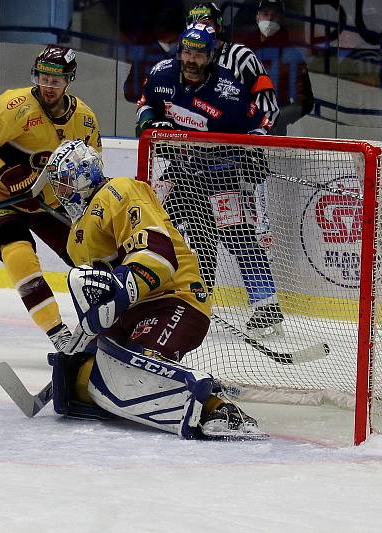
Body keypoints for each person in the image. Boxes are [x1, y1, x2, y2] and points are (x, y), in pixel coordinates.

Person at [43, 139, 264, 440]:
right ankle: (179, 383)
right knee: (86, 379)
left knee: (133, 370)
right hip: (133, 311)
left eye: (66, 182)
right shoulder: (75, 237)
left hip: (176, 299)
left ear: (85, 174)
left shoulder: (119, 190)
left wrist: (119, 292)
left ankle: (218, 407)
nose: (61, 192)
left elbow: (158, 253)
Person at [136, 22, 285, 338]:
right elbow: (146, 103)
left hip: (220, 173)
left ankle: (267, 307)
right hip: (181, 169)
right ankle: (145, 294)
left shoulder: (228, 92)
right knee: (153, 223)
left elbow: (261, 123)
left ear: (212, 56)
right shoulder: (162, 73)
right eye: (187, 52)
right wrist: (149, 120)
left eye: (199, 54)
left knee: (236, 235)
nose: (191, 60)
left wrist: (253, 151)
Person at [0, 45, 101, 352]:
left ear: (69, 80)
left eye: (56, 80)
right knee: (20, 258)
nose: (48, 86)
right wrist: (8, 177)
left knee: (90, 261)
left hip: (48, 204)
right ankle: (58, 334)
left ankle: (104, 328)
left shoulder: (86, 120)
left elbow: (92, 169)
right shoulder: (14, 106)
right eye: (43, 77)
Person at [237, 0, 313, 135]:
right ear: (257, 17)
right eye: (265, 14)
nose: (270, 18)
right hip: (240, 124)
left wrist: (277, 119)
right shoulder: (241, 50)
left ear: (281, 19)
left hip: (272, 131)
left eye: (275, 15)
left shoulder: (292, 55)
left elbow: (305, 102)